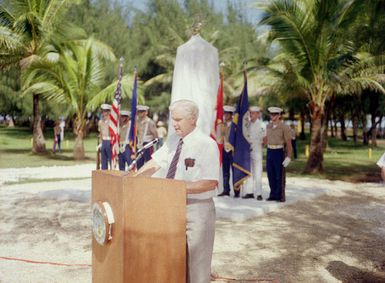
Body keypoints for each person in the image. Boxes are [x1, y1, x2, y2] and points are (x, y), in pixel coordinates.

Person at [136, 100, 219, 283]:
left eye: (179, 119)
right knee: (172, 260)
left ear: (193, 119)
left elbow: (211, 182)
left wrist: (176, 188)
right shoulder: (173, 140)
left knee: (197, 265)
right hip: (172, 207)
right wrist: (132, 180)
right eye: (173, 119)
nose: (174, 124)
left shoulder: (207, 145)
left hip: (197, 209)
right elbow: (155, 163)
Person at [264, 107, 292, 202]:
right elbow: (265, 140)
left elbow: (288, 143)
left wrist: (289, 156)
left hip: (278, 152)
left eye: (275, 114)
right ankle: (273, 194)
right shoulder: (268, 126)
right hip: (269, 151)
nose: (273, 116)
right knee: (270, 174)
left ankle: (279, 195)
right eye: (271, 114)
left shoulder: (284, 127)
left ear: (279, 115)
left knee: (278, 175)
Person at [243, 106, 266, 200]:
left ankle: (259, 193)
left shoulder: (262, 125)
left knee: (258, 172)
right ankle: (249, 192)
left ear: (258, 114)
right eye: (251, 113)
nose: (252, 115)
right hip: (248, 150)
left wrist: (257, 144)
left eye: (254, 113)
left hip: (257, 149)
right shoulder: (247, 124)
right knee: (249, 172)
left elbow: (264, 139)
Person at [218, 105, 236, 197]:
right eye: (224, 113)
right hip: (225, 150)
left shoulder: (235, 125)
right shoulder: (222, 125)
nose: (225, 115)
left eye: (227, 114)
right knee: (225, 171)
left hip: (233, 151)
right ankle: (226, 189)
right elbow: (219, 138)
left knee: (234, 171)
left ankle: (236, 191)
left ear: (231, 115)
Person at [136, 105, 158, 169]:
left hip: (147, 143)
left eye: (142, 111)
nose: (140, 113)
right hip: (139, 144)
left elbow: (155, 134)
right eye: (139, 111)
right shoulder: (137, 122)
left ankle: (148, 177)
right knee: (139, 162)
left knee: (148, 162)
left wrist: (152, 144)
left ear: (146, 112)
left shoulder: (150, 122)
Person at [97, 104, 112, 170]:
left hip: (110, 141)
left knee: (111, 160)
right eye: (103, 111)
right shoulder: (100, 122)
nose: (104, 113)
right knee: (103, 160)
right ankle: (104, 174)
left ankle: (112, 173)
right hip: (103, 141)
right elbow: (100, 134)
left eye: (106, 111)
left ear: (109, 112)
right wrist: (100, 143)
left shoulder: (112, 122)